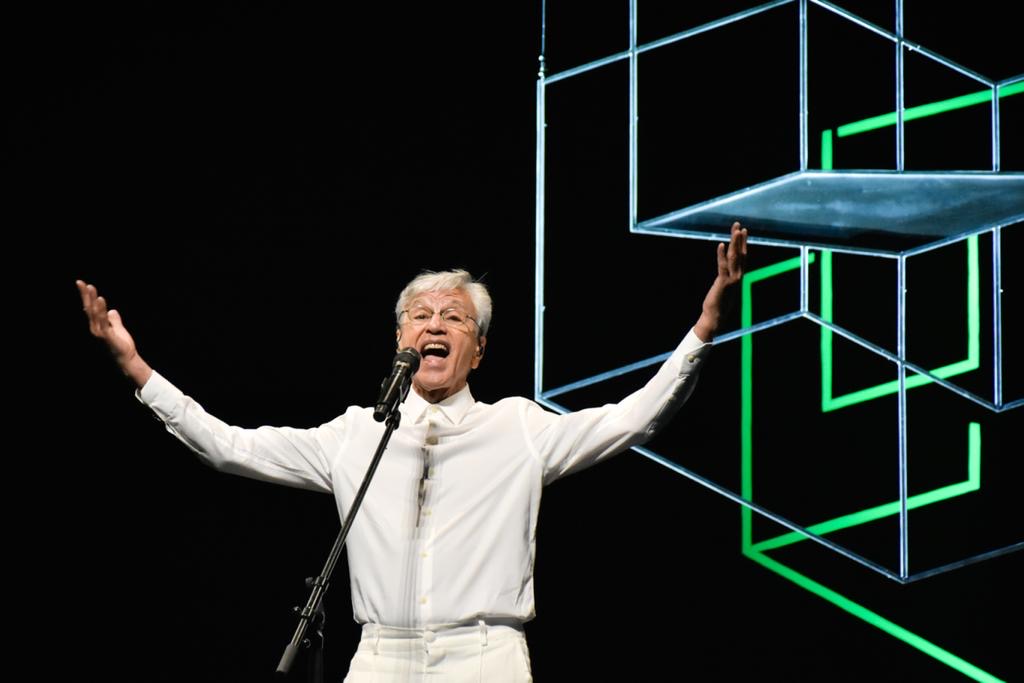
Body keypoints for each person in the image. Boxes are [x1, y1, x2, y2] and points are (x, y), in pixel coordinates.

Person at [77, 221, 748, 682]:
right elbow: (228, 448)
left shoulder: (518, 427)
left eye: (454, 317)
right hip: (379, 656)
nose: (435, 324)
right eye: (420, 315)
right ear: (399, 336)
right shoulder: (354, 434)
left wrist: (704, 329)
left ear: (478, 348)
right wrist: (137, 368)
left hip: (485, 656)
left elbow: (635, 418)